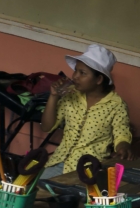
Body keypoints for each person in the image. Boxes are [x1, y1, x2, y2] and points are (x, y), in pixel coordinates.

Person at [40, 44, 133, 179]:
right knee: (36, 189)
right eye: (76, 71)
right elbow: (46, 127)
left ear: (99, 79)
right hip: (59, 162)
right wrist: (53, 96)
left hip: (89, 169)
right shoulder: (71, 94)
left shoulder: (116, 105)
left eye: (82, 73)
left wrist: (123, 148)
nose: (75, 76)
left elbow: (121, 134)